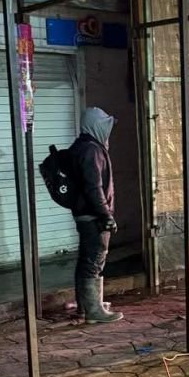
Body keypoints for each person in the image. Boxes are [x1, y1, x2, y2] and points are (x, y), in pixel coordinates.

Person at [70, 106, 122, 324]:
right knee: (94, 260)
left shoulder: (82, 146)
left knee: (87, 260)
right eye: (105, 126)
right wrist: (106, 214)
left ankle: (89, 305)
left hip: (85, 214)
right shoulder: (91, 150)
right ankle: (93, 311)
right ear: (95, 126)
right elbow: (94, 187)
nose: (108, 131)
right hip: (93, 216)